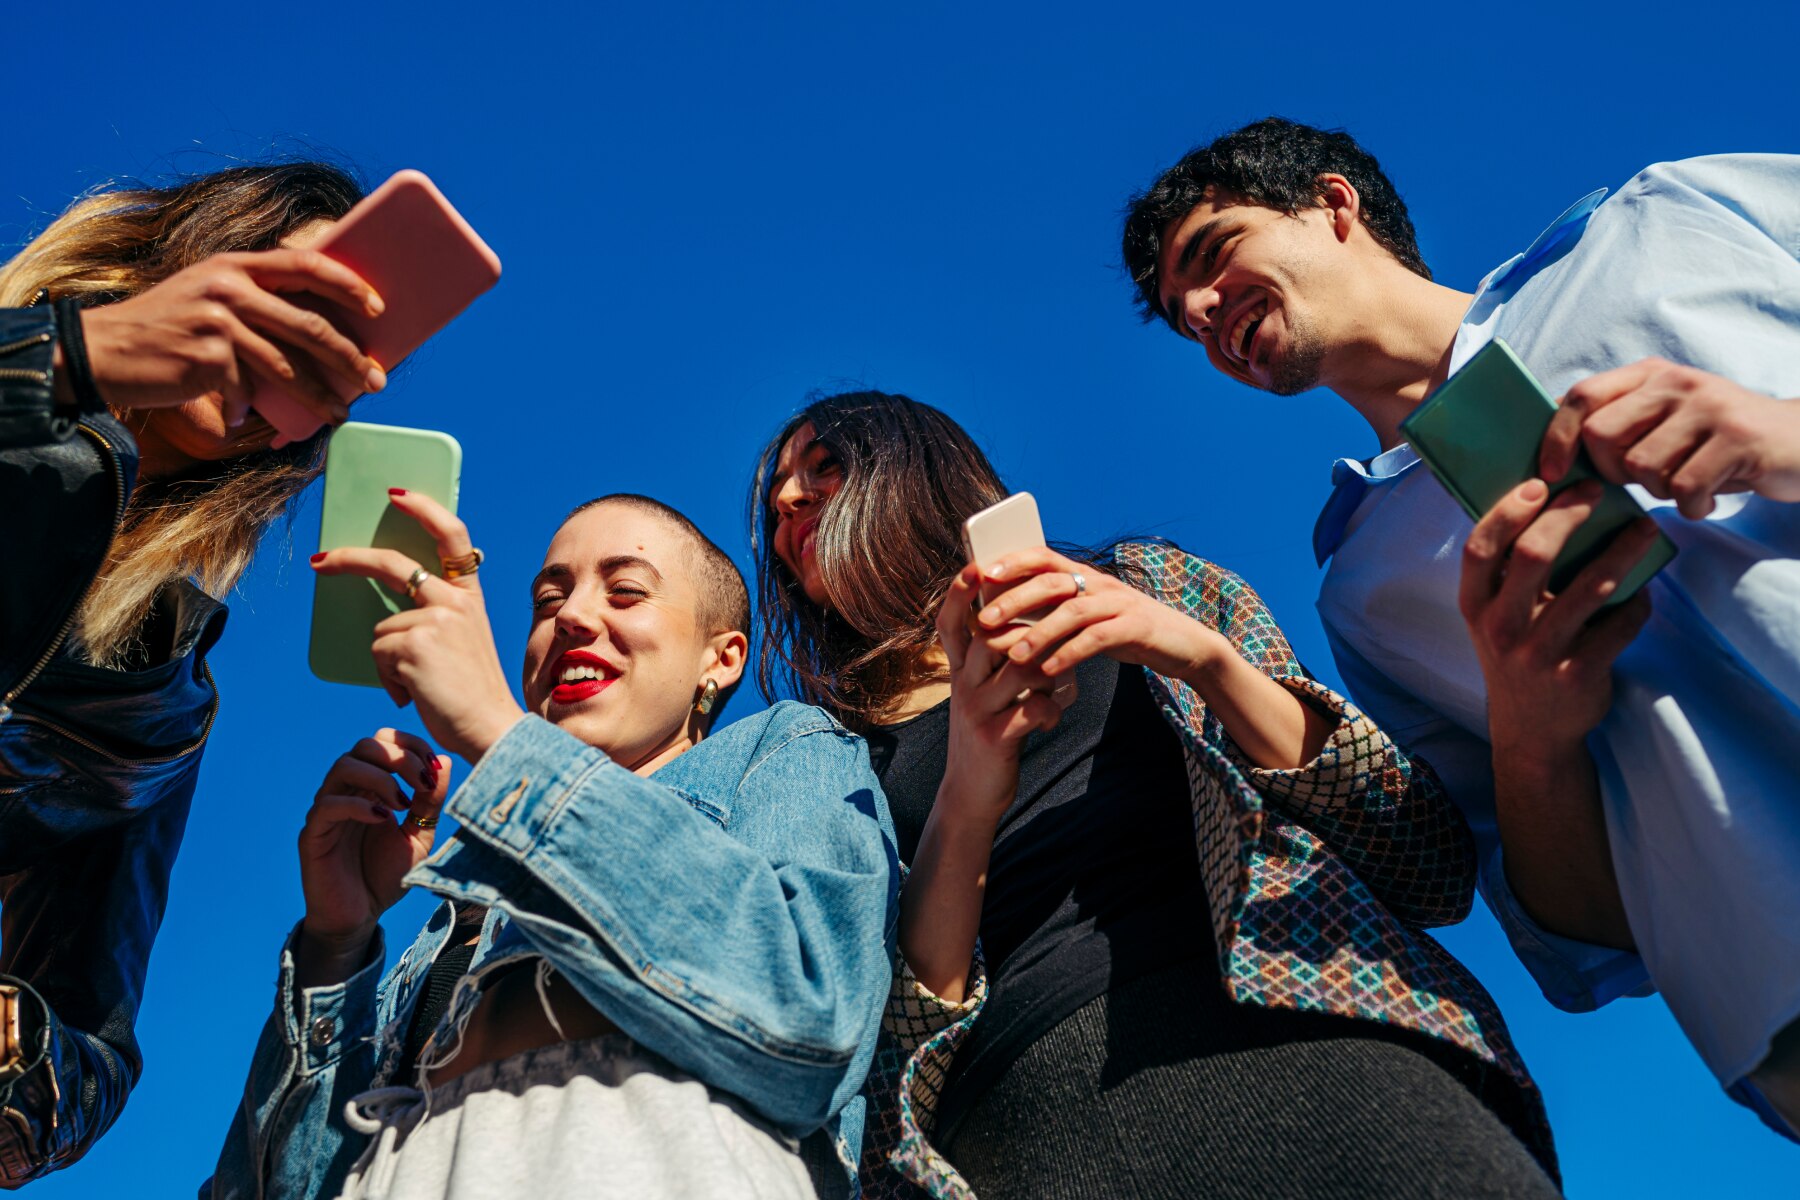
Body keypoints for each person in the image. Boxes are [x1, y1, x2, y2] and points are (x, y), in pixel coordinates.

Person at [1120, 117, 1800, 1134]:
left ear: (1334, 204)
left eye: (1214, 257)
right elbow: (1586, 937)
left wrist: (1781, 436)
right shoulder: (1361, 595)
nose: (1205, 311)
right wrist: (1532, 730)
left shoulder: (1671, 217)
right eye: (1184, 317)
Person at [749, 390, 1559, 1200]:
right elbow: (886, 1049)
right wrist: (968, 787)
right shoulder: (821, 760)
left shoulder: (1143, 585)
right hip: (1032, 1126)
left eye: (825, 468)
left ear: (914, 470)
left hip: (1328, 1053)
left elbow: (1426, 858)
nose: (788, 500)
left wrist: (1205, 660)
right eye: (778, 491)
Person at [205, 490, 899, 1200]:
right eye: (546, 601)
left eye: (626, 591)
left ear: (720, 659)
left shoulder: (783, 747)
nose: (570, 617)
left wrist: (504, 738)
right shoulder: (453, 925)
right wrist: (337, 947)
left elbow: (816, 1029)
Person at [0, 162, 390, 1184]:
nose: (285, 359)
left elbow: (92, 1053)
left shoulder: (159, 697)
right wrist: (71, 358)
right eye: (280, 304)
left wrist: (15, 1044)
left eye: (328, 355)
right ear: (190, 261)